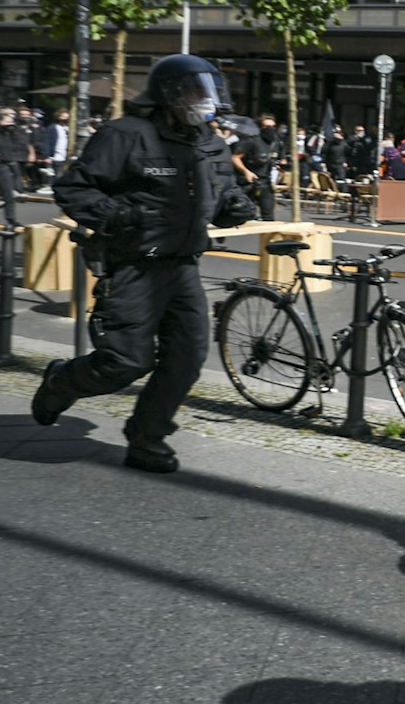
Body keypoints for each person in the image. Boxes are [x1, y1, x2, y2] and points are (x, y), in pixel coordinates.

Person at [29, 54, 258, 473]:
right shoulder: (126, 135)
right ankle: (62, 381)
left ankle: (147, 438)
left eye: (206, 90)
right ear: (168, 93)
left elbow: (220, 193)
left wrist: (234, 205)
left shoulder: (209, 141)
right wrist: (117, 215)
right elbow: (74, 188)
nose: (202, 100)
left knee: (187, 358)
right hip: (134, 266)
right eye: (193, 91)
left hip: (183, 266)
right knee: (125, 362)